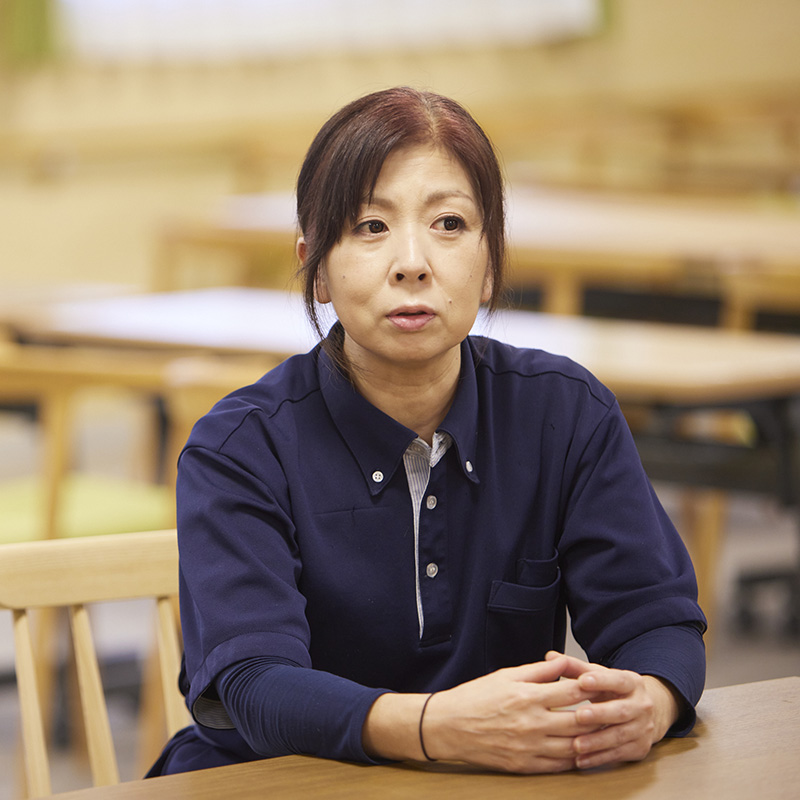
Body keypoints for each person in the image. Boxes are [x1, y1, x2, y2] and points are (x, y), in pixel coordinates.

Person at [148, 87, 706, 777]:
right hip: (275, 784)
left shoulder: (565, 413)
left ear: (490, 262)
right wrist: (435, 727)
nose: (412, 262)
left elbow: (656, 621)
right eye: (370, 226)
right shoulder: (239, 448)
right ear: (316, 268)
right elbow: (255, 685)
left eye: (448, 223)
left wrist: (649, 702)